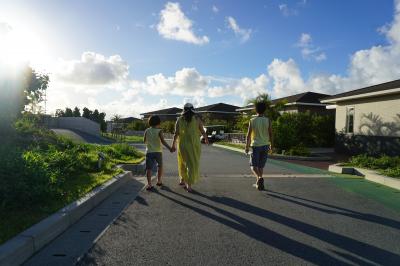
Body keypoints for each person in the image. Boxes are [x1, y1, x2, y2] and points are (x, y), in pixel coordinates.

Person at [171, 103, 209, 192]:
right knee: (191, 164)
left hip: (182, 145)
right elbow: (203, 131)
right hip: (194, 145)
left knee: (182, 162)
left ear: (184, 110)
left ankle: (182, 179)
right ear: (193, 110)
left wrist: (173, 145)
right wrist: (206, 139)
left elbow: (176, 134)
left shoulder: (179, 119)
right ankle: (189, 185)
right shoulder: (197, 119)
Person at [245, 101, 273, 191]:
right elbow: (271, 134)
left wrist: (246, 146)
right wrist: (271, 145)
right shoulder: (267, 120)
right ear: (264, 110)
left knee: (253, 166)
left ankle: (259, 178)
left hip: (256, 145)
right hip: (265, 145)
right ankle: (259, 184)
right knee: (260, 166)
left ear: (255, 110)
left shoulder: (252, 120)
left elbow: (248, 135)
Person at [143, 115, 173, 190]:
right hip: (158, 151)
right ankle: (159, 181)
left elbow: (144, 141)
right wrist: (170, 148)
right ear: (158, 123)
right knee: (160, 166)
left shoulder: (147, 130)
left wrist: (150, 142)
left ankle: (149, 184)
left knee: (148, 168)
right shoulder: (159, 131)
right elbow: (163, 141)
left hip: (149, 152)